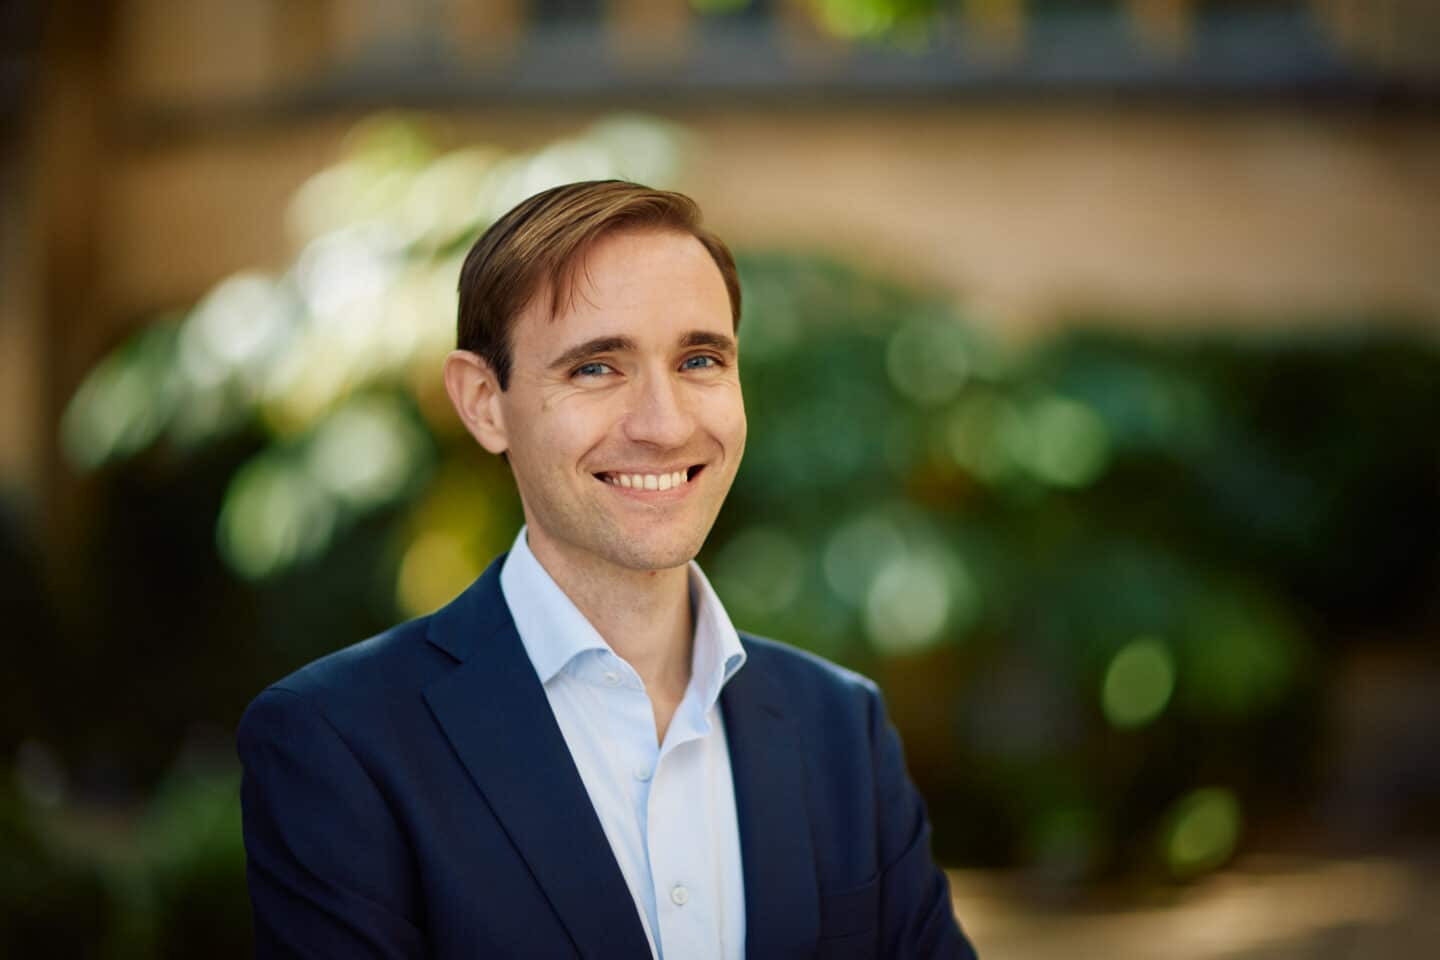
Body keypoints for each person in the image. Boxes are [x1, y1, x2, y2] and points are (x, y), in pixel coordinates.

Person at [237, 180, 978, 959]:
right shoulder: (337, 742)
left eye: (699, 359)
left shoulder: (842, 729)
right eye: (596, 368)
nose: (664, 425)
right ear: (485, 402)